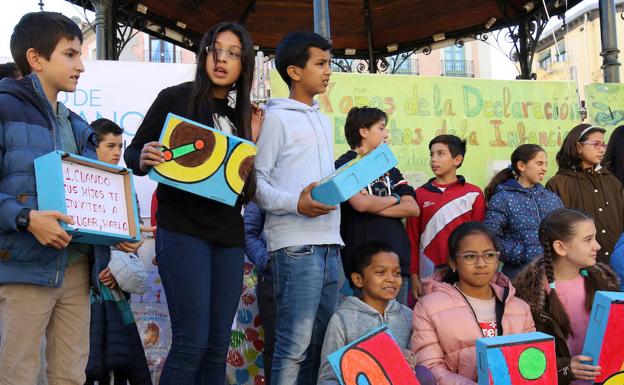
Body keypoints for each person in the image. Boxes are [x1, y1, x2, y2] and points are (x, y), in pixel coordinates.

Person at [124, 22, 256, 384]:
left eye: (233, 53)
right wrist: (144, 155)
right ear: (204, 54)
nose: (223, 59)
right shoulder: (174, 98)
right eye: (216, 50)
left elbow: (247, 189)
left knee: (216, 348)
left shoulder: (244, 114)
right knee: (191, 344)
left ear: (244, 64)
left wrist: (255, 145)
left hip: (228, 238)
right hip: (182, 231)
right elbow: (133, 153)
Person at [0, 12, 115, 385]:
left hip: (77, 268)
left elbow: (87, 198)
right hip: (23, 267)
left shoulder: (79, 124)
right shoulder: (4, 108)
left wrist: (115, 230)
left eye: (80, 55)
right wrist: (26, 218)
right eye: (70, 54)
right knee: (17, 375)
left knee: (71, 376)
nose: (81, 66)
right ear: (36, 58)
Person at [254, 31, 343, 385]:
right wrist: (297, 203)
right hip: (294, 248)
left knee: (321, 346)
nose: (327, 72)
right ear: (294, 71)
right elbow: (255, 184)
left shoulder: (323, 119)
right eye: (320, 64)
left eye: (328, 64)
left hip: (330, 246)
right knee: (292, 348)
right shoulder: (276, 118)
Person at [410, 222, 535, 385]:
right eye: (470, 256)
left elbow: (532, 360)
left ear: (497, 260)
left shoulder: (520, 308)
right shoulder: (429, 307)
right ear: (453, 262)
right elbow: (430, 366)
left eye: (489, 255)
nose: (481, 263)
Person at [513, 208, 620, 385]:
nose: (598, 246)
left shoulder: (605, 283)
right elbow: (525, 360)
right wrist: (566, 368)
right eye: (588, 240)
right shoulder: (527, 298)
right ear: (560, 247)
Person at [85, 118, 152, 385]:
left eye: (120, 146)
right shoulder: (76, 181)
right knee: (88, 364)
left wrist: (122, 264)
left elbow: (133, 236)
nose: (117, 152)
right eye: (110, 145)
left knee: (119, 364)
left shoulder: (125, 182)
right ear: (93, 146)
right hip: (85, 288)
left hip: (115, 288)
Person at [318, 242, 435, 385]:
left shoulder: (407, 315)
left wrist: (409, 359)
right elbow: (327, 377)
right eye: (380, 272)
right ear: (358, 279)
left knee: (424, 374)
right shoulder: (343, 319)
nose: (391, 279)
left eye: (396, 273)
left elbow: (418, 361)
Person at [336, 106, 419, 304]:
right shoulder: (344, 164)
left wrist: (377, 203)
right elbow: (361, 204)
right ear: (363, 131)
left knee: (398, 326)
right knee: (370, 330)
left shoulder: (389, 168)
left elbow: (412, 208)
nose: (386, 134)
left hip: (397, 262)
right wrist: (395, 198)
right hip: (364, 266)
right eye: (381, 128)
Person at [406, 135, 486, 298]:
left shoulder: (473, 193)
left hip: (463, 270)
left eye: (440, 154)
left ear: (457, 159)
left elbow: (479, 238)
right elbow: (411, 238)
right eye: (431, 154)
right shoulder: (419, 194)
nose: (434, 159)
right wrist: (413, 275)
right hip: (428, 272)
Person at [546, 124, 624, 264]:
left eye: (603, 145)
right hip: (579, 267)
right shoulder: (559, 184)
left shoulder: (612, 181)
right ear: (578, 147)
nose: (601, 149)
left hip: (615, 265)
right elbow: (555, 230)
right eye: (596, 144)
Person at [484, 144, 563, 277]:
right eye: (539, 163)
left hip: (553, 274)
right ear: (521, 166)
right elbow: (490, 236)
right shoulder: (503, 198)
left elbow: (565, 229)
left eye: (546, 164)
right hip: (519, 275)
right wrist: (520, 253)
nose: (544, 169)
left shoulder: (551, 198)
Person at [243, 201, 276, 384]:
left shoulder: (318, 175)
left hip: (318, 276)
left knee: (316, 344)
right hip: (274, 280)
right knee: (278, 346)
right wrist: (268, 263)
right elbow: (249, 233)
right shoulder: (263, 182)